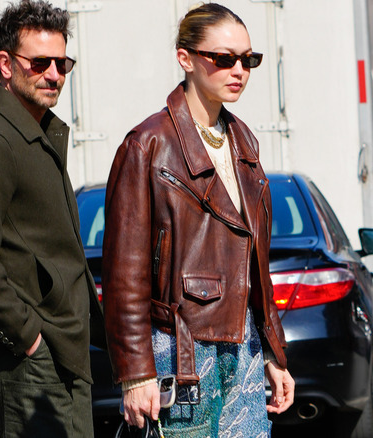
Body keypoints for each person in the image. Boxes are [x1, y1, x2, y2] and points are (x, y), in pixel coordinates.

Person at [102, 4, 295, 436]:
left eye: (249, 59)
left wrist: (271, 353)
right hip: (179, 351)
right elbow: (123, 274)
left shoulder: (243, 140)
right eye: (224, 58)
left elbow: (253, 265)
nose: (239, 70)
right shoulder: (148, 144)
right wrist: (136, 373)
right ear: (185, 58)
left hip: (243, 345)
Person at [0, 1, 105, 436]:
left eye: (62, 63)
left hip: (63, 349)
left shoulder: (35, 131)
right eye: (39, 63)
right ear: (6, 64)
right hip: (33, 358)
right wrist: (28, 336)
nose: (53, 74)